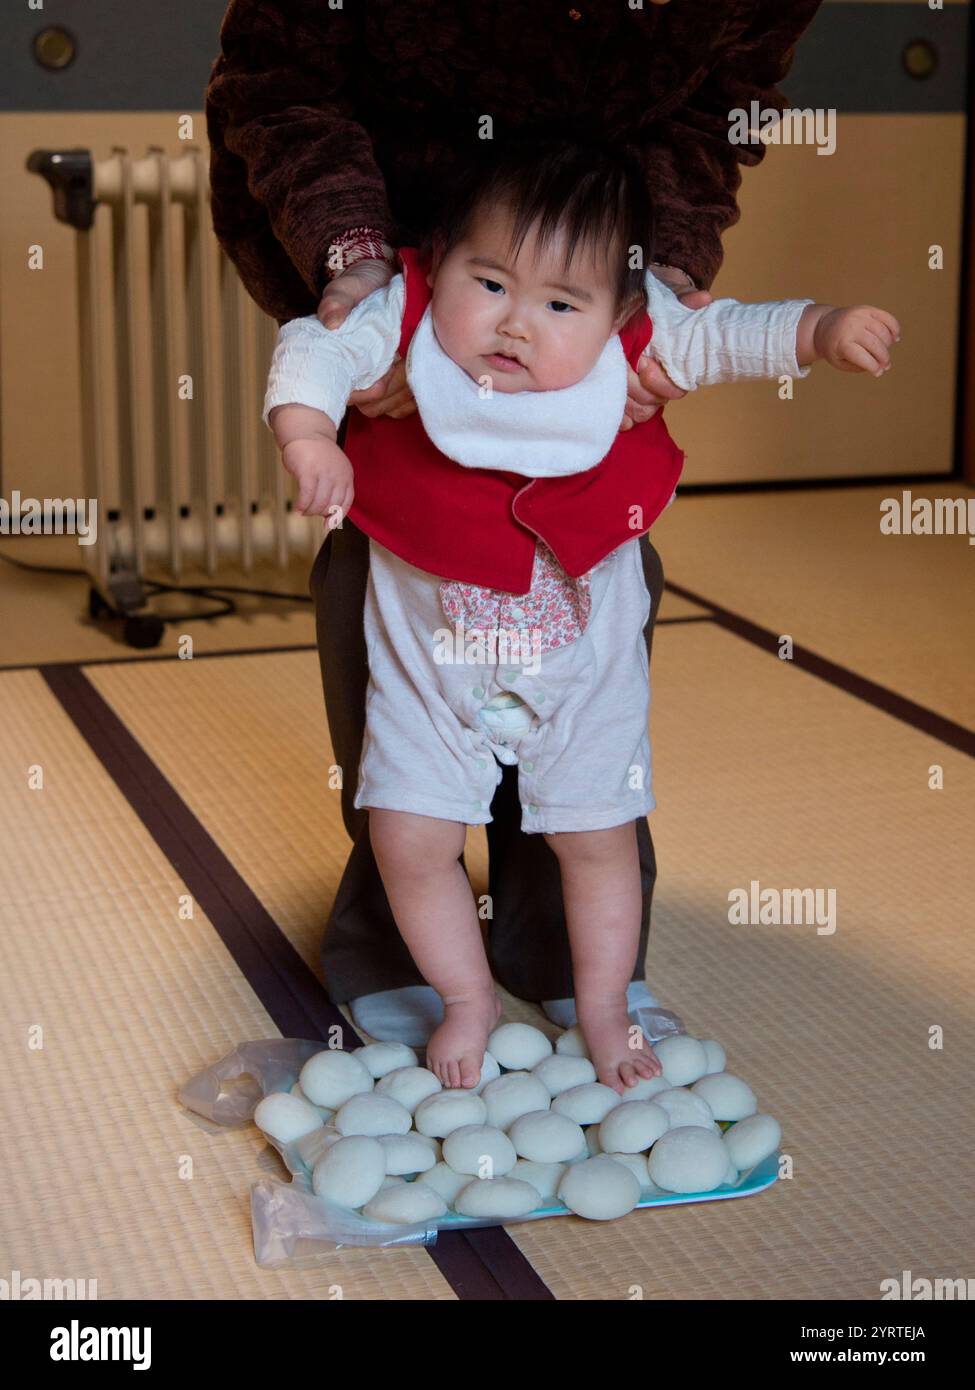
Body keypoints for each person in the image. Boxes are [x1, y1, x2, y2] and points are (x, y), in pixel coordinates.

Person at [205, 0, 825, 1045]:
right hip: (401, 241)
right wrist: (354, 296)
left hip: (594, 276)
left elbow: (725, 113)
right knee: (398, 728)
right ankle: (423, 958)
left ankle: (585, 966)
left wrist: (666, 283)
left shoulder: (610, 312)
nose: (515, 319)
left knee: (593, 765)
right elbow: (283, 79)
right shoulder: (418, 288)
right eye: (493, 289)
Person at [262, 132, 899, 1091]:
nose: (515, 324)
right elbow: (313, 344)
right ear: (439, 267)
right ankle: (464, 994)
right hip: (431, 666)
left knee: (594, 834)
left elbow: (731, 332)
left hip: (580, 667)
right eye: (489, 285)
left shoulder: (640, 336)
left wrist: (821, 329)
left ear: (619, 310)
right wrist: (310, 432)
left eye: (560, 304)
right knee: (409, 835)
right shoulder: (398, 314)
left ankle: (602, 1004)